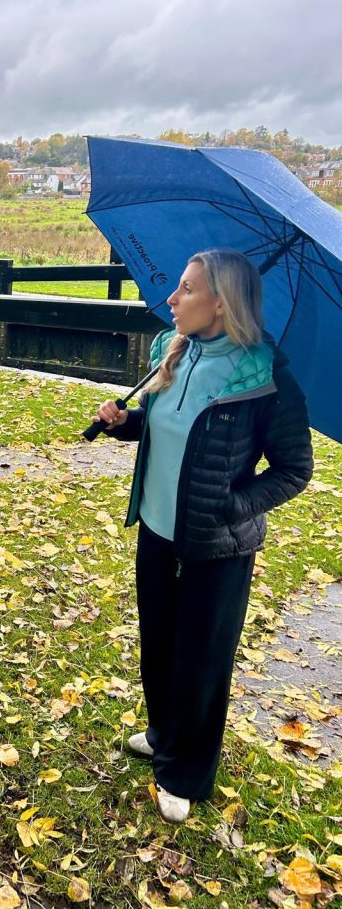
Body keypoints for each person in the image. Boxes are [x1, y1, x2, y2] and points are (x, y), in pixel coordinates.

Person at [92, 249, 312, 823]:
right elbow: (164, 428)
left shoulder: (263, 377)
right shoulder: (175, 351)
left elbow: (294, 470)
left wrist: (232, 507)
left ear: (220, 303)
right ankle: (164, 734)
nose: (172, 298)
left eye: (186, 289)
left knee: (202, 660)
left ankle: (187, 772)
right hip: (157, 531)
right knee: (159, 642)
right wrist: (125, 423)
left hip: (216, 548)